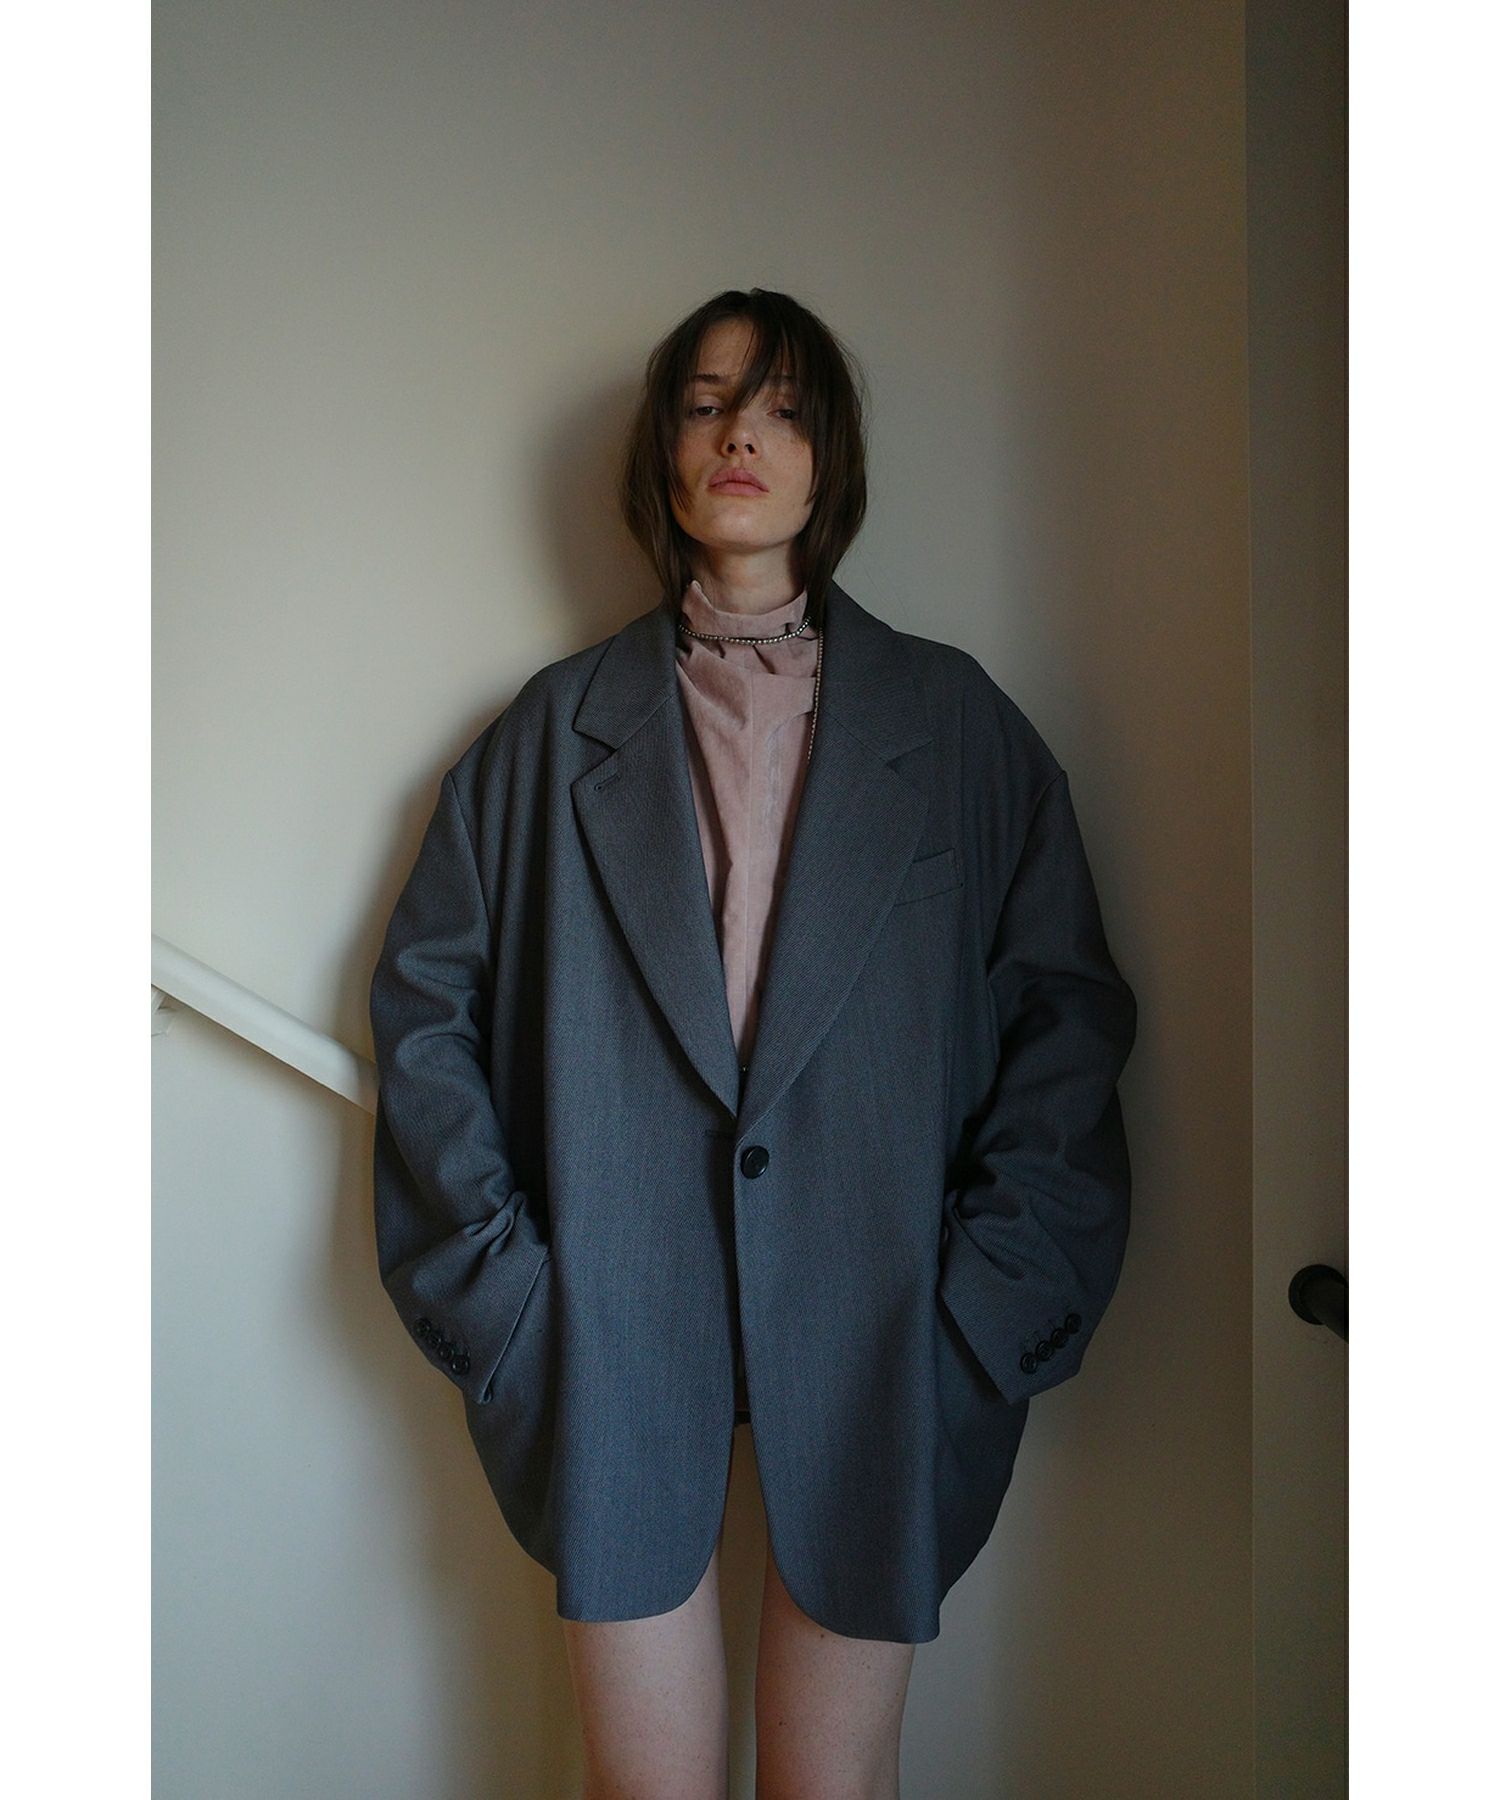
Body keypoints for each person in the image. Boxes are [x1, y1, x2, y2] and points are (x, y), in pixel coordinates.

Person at [369, 288, 1138, 1799]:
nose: (741, 435)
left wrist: (982, 1310)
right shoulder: (550, 731)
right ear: (664, 448)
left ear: (828, 455)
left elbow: (1066, 1020)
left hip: (888, 1322)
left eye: (783, 407)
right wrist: (510, 1299)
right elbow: (425, 1008)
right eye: (709, 402)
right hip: (608, 1324)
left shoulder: (955, 724)